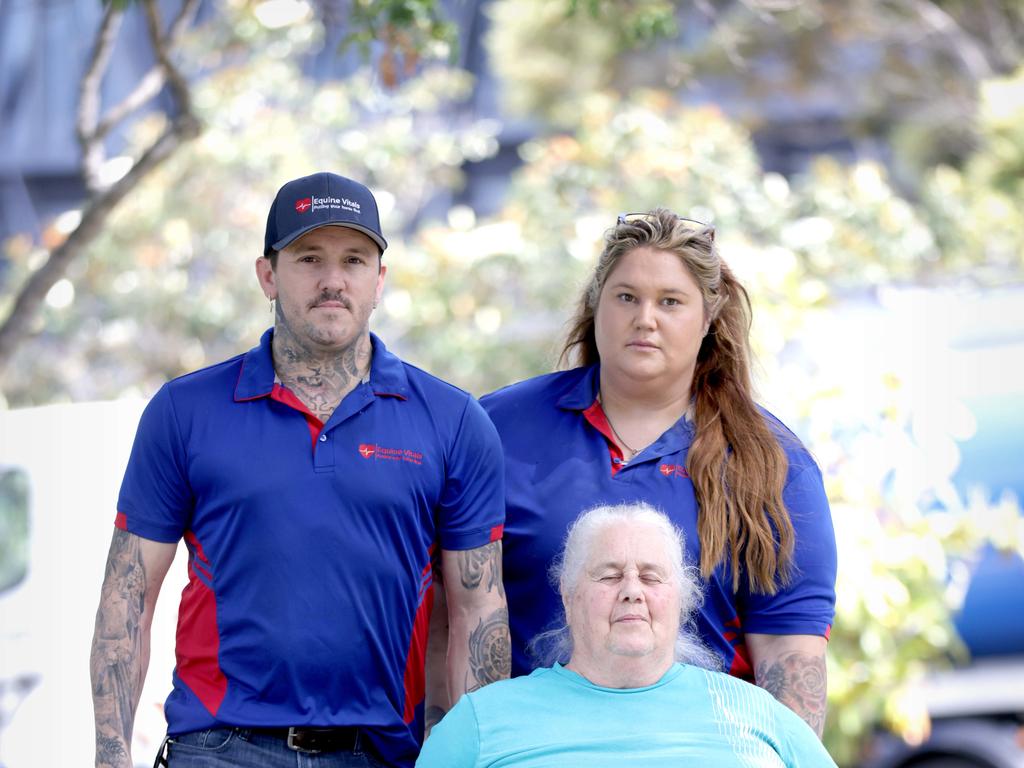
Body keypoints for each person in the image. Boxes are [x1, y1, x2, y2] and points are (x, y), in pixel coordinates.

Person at [89, 172, 510, 768]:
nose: (333, 280)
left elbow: (478, 613)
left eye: (355, 260)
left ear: (379, 279)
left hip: (381, 753)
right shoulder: (185, 412)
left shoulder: (452, 421)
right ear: (268, 274)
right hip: (220, 749)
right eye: (309, 258)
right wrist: (110, 757)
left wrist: (473, 759)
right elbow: (128, 598)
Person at [479, 209, 836, 736]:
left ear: (709, 315)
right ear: (597, 304)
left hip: (701, 751)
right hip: (536, 748)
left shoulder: (771, 463)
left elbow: (789, 655)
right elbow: (456, 614)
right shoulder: (498, 430)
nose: (645, 318)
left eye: (670, 301)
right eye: (627, 297)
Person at [416, 503, 838, 767]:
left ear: (682, 599)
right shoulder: (480, 721)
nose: (632, 591)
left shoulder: (756, 714)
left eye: (651, 577)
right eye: (609, 575)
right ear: (568, 595)